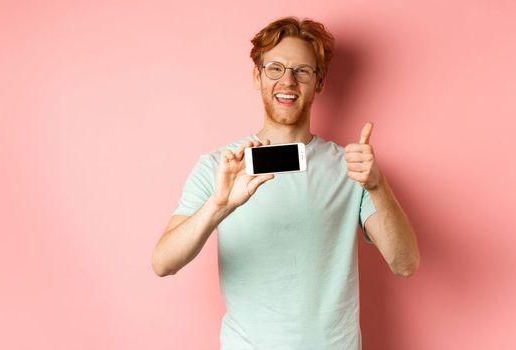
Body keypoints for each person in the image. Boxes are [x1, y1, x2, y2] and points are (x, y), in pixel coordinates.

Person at [151, 17, 420, 349]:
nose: (287, 81)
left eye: (302, 71)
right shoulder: (219, 168)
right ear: (257, 76)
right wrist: (218, 207)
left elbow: (405, 263)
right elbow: (163, 263)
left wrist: (377, 186)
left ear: (319, 83)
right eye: (275, 68)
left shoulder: (352, 167)